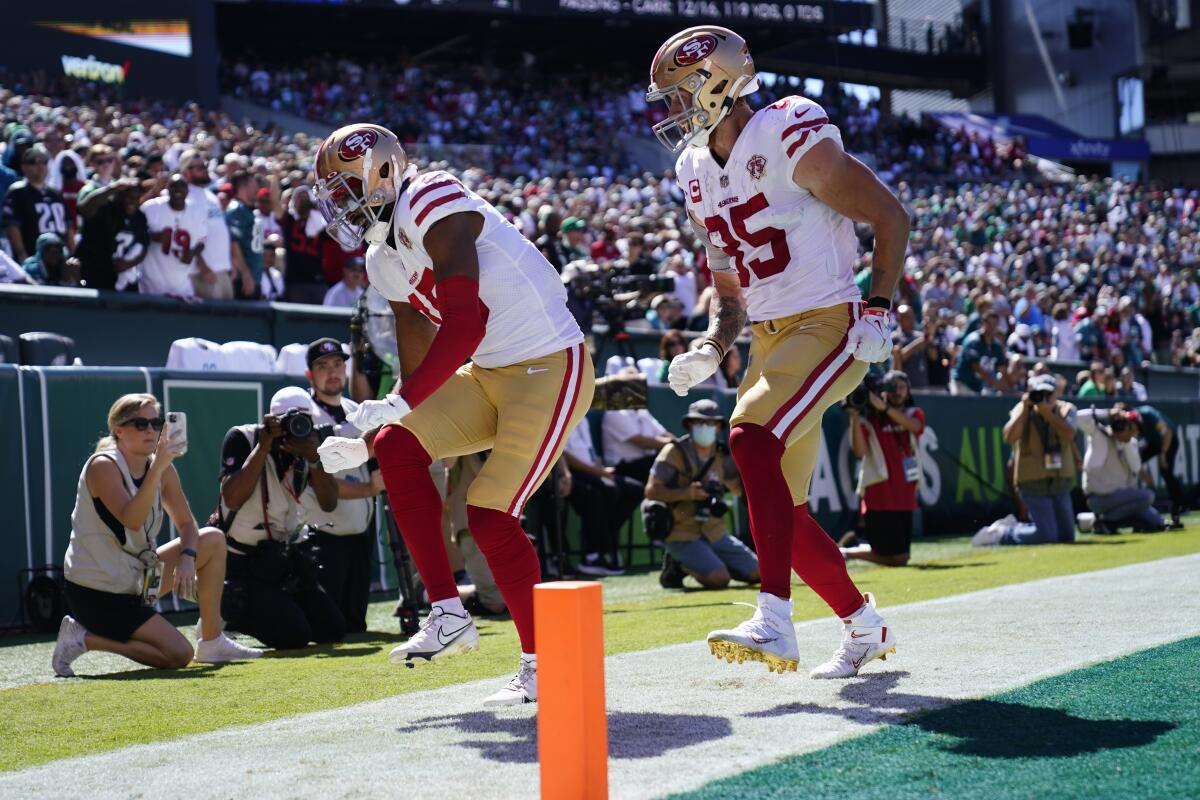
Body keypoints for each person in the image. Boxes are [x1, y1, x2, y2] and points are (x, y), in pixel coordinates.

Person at [650, 25, 908, 678]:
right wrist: (712, 344)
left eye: (680, 95)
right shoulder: (694, 171)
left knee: (750, 438)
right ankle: (862, 625)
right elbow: (729, 291)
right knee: (781, 512)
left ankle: (774, 618)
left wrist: (878, 306)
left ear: (718, 85)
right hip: (768, 341)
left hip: (827, 324)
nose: (671, 112)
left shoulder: (788, 130)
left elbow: (891, 217)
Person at [312, 124, 592, 706]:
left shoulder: (430, 197)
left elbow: (468, 323)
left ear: (383, 174)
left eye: (344, 190)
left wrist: (403, 400)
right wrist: (382, 429)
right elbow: (418, 348)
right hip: (488, 374)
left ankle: (547, 662)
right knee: (394, 446)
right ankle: (446, 612)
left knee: (489, 515)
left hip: (548, 365)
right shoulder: (381, 255)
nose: (338, 205)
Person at [52, 394, 260, 677]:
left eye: (156, 422)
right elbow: (132, 520)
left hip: (135, 580)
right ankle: (84, 637)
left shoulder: (160, 467)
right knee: (179, 654)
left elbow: (188, 525)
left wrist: (188, 557)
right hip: (98, 593)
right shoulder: (103, 466)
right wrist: (159, 466)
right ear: (119, 430)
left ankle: (211, 641)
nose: (151, 430)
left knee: (211, 539)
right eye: (141, 424)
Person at [218, 387, 347, 649]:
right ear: (271, 419)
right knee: (294, 636)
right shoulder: (244, 437)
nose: (295, 427)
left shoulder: (311, 446)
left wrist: (314, 458)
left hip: (282, 558)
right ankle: (232, 611)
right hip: (244, 560)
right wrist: (263, 447)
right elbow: (232, 498)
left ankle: (272, 606)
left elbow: (329, 502)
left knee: (332, 629)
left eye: (303, 420)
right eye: (288, 420)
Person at [302, 338, 383, 633]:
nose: (332, 372)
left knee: (356, 625)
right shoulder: (303, 415)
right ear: (310, 375)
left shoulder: (355, 410)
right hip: (323, 535)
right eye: (322, 366)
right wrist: (369, 490)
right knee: (328, 629)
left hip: (360, 535)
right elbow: (316, 481)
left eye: (338, 364)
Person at [645, 399, 757, 589]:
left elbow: (739, 488)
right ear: (689, 424)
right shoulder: (673, 452)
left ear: (718, 427)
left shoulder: (722, 454)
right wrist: (687, 493)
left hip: (714, 529)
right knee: (719, 579)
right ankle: (678, 564)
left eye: (711, 423)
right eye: (699, 422)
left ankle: (711, 561)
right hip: (682, 531)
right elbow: (651, 491)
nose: (705, 427)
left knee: (758, 572)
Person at [844, 371, 925, 564]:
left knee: (901, 556)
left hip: (904, 494)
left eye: (902, 387)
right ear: (883, 391)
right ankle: (845, 552)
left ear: (909, 391)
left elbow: (915, 426)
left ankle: (846, 551)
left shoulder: (914, 413)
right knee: (898, 557)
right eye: (892, 387)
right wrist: (854, 417)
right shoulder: (870, 419)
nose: (897, 392)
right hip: (879, 494)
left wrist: (884, 408)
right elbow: (860, 451)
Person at [1001, 374, 1077, 544]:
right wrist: (1025, 409)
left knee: (1066, 537)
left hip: (1059, 482)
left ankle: (1021, 528)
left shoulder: (1066, 409)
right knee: (1048, 536)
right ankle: (1004, 534)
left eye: (1048, 393)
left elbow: (1069, 434)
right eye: (1040, 393)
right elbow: (1010, 437)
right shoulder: (1022, 409)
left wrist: (1047, 414)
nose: (1044, 397)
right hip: (1033, 482)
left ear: (1055, 393)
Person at [563, 416, 642, 576]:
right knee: (605, 491)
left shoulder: (583, 416)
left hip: (594, 471)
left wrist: (600, 468)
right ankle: (593, 555)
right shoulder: (559, 414)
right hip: (572, 474)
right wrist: (598, 472)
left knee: (635, 488)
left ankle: (606, 539)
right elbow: (563, 455)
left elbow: (589, 452)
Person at [1076, 405, 1164, 532]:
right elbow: (1077, 417)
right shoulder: (1100, 435)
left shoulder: (1130, 443)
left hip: (1121, 499)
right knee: (1147, 496)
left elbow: (1136, 467)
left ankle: (1096, 522)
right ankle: (1106, 520)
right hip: (1099, 498)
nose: (1133, 432)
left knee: (1155, 522)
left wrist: (1125, 441)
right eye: (1131, 427)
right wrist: (1107, 413)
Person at [140, 174, 206, 298]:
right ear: (167, 188)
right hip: (151, 283)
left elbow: (202, 240)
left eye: (182, 185)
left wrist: (193, 252)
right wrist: (151, 236)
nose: (178, 189)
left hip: (182, 284)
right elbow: (134, 233)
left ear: (188, 190)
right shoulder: (152, 208)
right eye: (174, 186)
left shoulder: (196, 211)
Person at [3, 145, 72, 264]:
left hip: (59, 258)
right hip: (33, 258)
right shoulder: (17, 192)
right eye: (34, 162)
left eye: (44, 162)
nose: (40, 166)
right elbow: (12, 225)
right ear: (24, 167)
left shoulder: (55, 193)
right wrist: (21, 253)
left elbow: (68, 227)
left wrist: (71, 254)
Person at [77, 177, 148, 290]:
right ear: (119, 196)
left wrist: (128, 263)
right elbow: (84, 208)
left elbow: (144, 245)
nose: (132, 201)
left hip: (122, 280)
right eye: (128, 197)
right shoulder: (106, 210)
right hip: (95, 275)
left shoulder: (139, 217)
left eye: (136, 198)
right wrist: (112, 188)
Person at [602, 395, 673, 483]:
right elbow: (642, 442)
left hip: (645, 462)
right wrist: (675, 443)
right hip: (623, 468)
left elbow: (664, 434)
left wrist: (679, 444)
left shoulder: (642, 410)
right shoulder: (615, 412)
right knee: (669, 465)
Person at [1134, 404, 1184, 529]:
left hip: (1169, 440)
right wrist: (1140, 471)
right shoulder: (1131, 425)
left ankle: (1177, 509)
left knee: (1166, 472)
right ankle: (1135, 512)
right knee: (1133, 463)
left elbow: (1167, 432)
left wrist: (1163, 454)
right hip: (1153, 442)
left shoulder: (1148, 414)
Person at [226, 171, 265, 298]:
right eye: (254, 185)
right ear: (243, 186)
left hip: (253, 278)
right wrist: (246, 274)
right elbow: (233, 243)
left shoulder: (247, 210)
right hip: (243, 280)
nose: (257, 189)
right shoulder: (237, 209)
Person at [950, 309, 1005, 395]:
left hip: (977, 386)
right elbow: (975, 366)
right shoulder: (973, 341)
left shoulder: (996, 345)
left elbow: (1002, 367)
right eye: (989, 324)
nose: (992, 327)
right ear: (983, 323)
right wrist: (994, 382)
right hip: (962, 383)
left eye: (995, 324)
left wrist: (1008, 386)